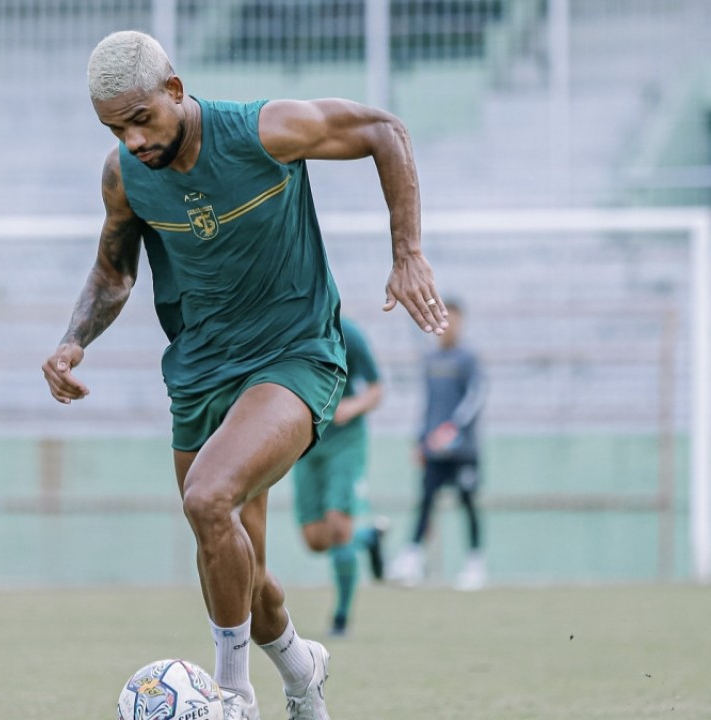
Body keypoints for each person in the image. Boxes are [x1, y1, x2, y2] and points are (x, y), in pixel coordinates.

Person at [41, 30, 447, 720]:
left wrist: (407, 252)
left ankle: (233, 700)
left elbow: (384, 129)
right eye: (116, 128)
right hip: (200, 374)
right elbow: (114, 270)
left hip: (292, 356)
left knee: (206, 499)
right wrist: (73, 340)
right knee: (242, 573)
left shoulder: (263, 131)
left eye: (141, 119)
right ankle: (301, 670)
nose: (133, 140)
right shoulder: (124, 175)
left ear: (175, 89)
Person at [287, 316, 385, 637]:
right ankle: (367, 539)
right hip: (308, 439)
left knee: (338, 526)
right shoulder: (288, 329)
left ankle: (341, 620)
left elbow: (376, 390)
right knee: (315, 540)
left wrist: (351, 407)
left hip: (345, 441)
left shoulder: (349, 334)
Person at [387, 297, 486, 591]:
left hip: (463, 450)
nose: (448, 328)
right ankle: (411, 559)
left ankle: (474, 563)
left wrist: (453, 428)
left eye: (454, 321)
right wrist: (421, 439)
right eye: (444, 321)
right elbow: (428, 405)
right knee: (426, 501)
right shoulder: (430, 361)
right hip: (434, 450)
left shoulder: (468, 359)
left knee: (467, 503)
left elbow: (475, 399)